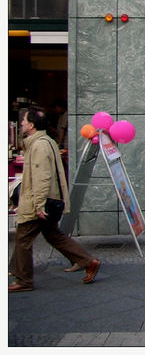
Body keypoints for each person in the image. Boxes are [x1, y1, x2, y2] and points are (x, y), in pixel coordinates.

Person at [9, 108, 101, 292]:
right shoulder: (46, 142)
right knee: (54, 236)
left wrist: (38, 204)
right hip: (49, 200)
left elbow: (42, 177)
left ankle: (23, 280)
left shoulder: (39, 145)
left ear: (32, 125)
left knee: (23, 239)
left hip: (41, 202)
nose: (22, 124)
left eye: (24, 121)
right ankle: (88, 262)